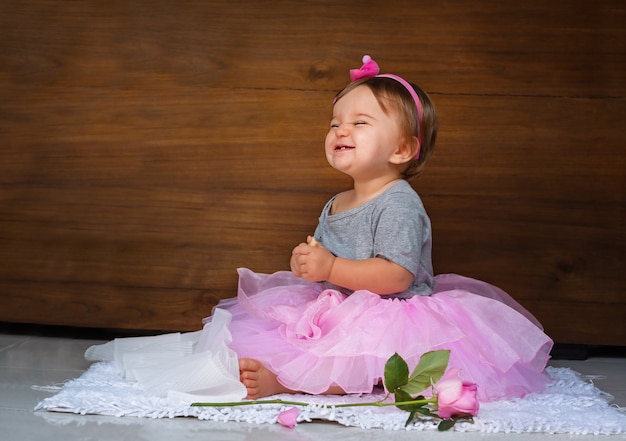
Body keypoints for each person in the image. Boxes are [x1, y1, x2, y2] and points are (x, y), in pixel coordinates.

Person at [212, 55, 554, 402]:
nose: (341, 131)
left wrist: (331, 267)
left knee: (374, 368)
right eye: (335, 124)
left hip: (394, 314)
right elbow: (325, 255)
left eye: (360, 122)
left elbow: (396, 276)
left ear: (402, 149)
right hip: (340, 307)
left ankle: (287, 382)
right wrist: (310, 264)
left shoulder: (398, 202)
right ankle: (291, 369)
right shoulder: (337, 202)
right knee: (298, 338)